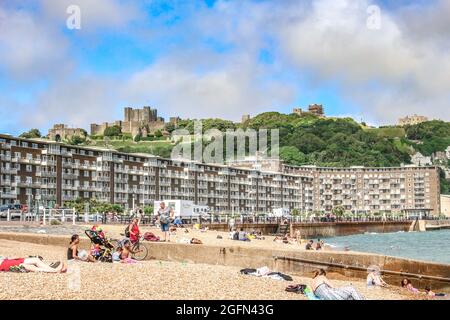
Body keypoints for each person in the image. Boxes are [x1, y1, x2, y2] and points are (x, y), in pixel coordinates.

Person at [0, 256, 66, 273]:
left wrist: (7, 257)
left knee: (36, 259)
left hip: (6, 260)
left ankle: (52, 269)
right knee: (27, 266)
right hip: (3, 264)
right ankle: (55, 270)